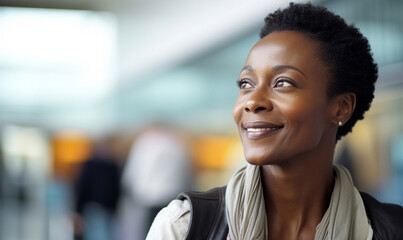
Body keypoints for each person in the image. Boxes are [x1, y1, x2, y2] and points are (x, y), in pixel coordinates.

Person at [146, 2, 403, 240]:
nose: (252, 101)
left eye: (283, 83)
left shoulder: (390, 230)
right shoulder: (183, 227)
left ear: (341, 107)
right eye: (246, 84)